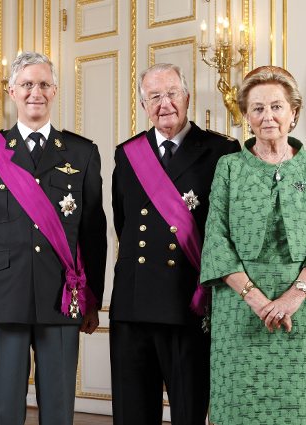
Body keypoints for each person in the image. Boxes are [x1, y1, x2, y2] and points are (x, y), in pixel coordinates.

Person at [0, 51, 107, 425]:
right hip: (3, 292)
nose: (34, 92)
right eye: (26, 84)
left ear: (55, 91)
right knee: (5, 408)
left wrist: (92, 299)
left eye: (43, 84)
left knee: (58, 408)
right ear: (11, 91)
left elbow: (93, 232)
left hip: (61, 294)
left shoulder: (82, 152)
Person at [200, 66, 306, 424]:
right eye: (258, 108)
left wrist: (294, 295)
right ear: (246, 115)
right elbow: (216, 240)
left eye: (276, 106)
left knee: (302, 409)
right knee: (240, 406)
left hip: (304, 310)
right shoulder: (228, 167)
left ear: (294, 112)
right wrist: (258, 301)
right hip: (239, 308)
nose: (268, 117)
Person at [109, 63, 240, 425]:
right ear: (143, 105)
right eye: (154, 97)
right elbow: (124, 223)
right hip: (133, 306)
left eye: (171, 94)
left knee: (189, 412)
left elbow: (229, 229)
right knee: (132, 414)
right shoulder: (127, 153)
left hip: (188, 304)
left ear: (187, 97)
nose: (164, 104)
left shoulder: (221, 151)